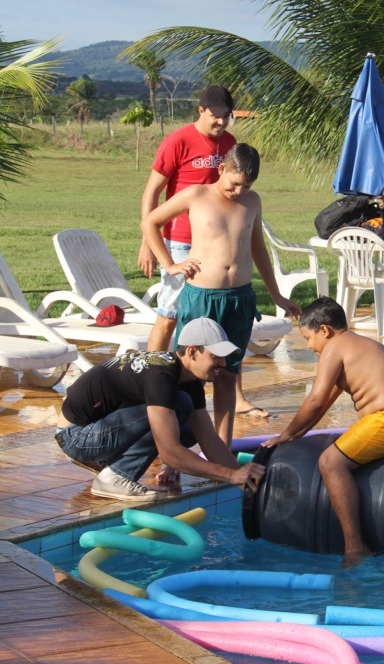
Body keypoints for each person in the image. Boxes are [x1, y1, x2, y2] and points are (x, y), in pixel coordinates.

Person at [141, 143, 302, 447]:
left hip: (239, 300)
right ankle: (172, 452)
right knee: (189, 375)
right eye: (234, 183)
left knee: (228, 374)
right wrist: (170, 265)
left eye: (246, 186)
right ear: (222, 169)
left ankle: (222, 450)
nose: (239, 191)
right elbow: (150, 222)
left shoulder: (252, 201)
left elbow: (257, 248)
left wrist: (277, 295)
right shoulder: (196, 195)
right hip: (201, 298)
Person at [261, 297, 384, 566]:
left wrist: (285, 433)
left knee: (330, 462)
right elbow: (325, 402)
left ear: (324, 330)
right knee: (340, 450)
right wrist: (296, 434)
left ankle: (355, 547)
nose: (309, 346)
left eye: (308, 338)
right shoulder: (354, 344)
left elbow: (315, 400)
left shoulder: (334, 347)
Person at [138, 85, 268, 420]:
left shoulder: (231, 146)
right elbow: (152, 193)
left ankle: (236, 397)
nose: (222, 122)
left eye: (227, 117)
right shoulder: (178, 141)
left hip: (223, 237)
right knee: (170, 316)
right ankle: (152, 384)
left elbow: (245, 217)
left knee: (227, 343)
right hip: (181, 242)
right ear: (201, 110)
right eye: (216, 116)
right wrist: (152, 247)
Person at [55, 317, 264, 502]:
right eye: (216, 356)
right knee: (179, 408)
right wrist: (230, 476)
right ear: (192, 351)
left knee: (190, 427)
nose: (223, 363)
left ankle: (109, 463)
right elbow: (170, 454)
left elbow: (209, 441)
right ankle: (115, 476)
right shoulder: (161, 376)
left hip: (96, 429)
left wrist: (243, 479)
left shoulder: (188, 379)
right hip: (76, 437)